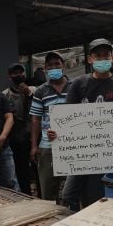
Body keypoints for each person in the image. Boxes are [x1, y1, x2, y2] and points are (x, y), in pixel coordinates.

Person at [49, 38, 113, 211]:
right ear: (90, 59)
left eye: (106, 55)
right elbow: (67, 118)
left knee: (101, 196)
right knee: (68, 195)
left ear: (112, 58)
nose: (102, 59)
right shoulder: (79, 84)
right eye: (98, 55)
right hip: (83, 152)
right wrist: (56, 133)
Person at [30, 52, 72, 201]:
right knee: (48, 191)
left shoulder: (75, 87)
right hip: (47, 146)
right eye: (50, 65)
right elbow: (35, 119)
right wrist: (34, 146)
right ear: (45, 68)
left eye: (57, 64)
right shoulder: (41, 91)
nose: (54, 67)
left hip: (73, 145)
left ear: (63, 66)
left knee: (73, 188)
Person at [2, 63, 36, 194]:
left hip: (34, 135)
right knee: (22, 170)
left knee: (37, 167)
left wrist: (28, 94)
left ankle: (44, 196)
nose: (18, 75)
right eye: (15, 73)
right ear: (9, 76)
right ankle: (27, 195)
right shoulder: (5, 95)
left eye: (20, 72)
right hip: (18, 138)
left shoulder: (34, 90)